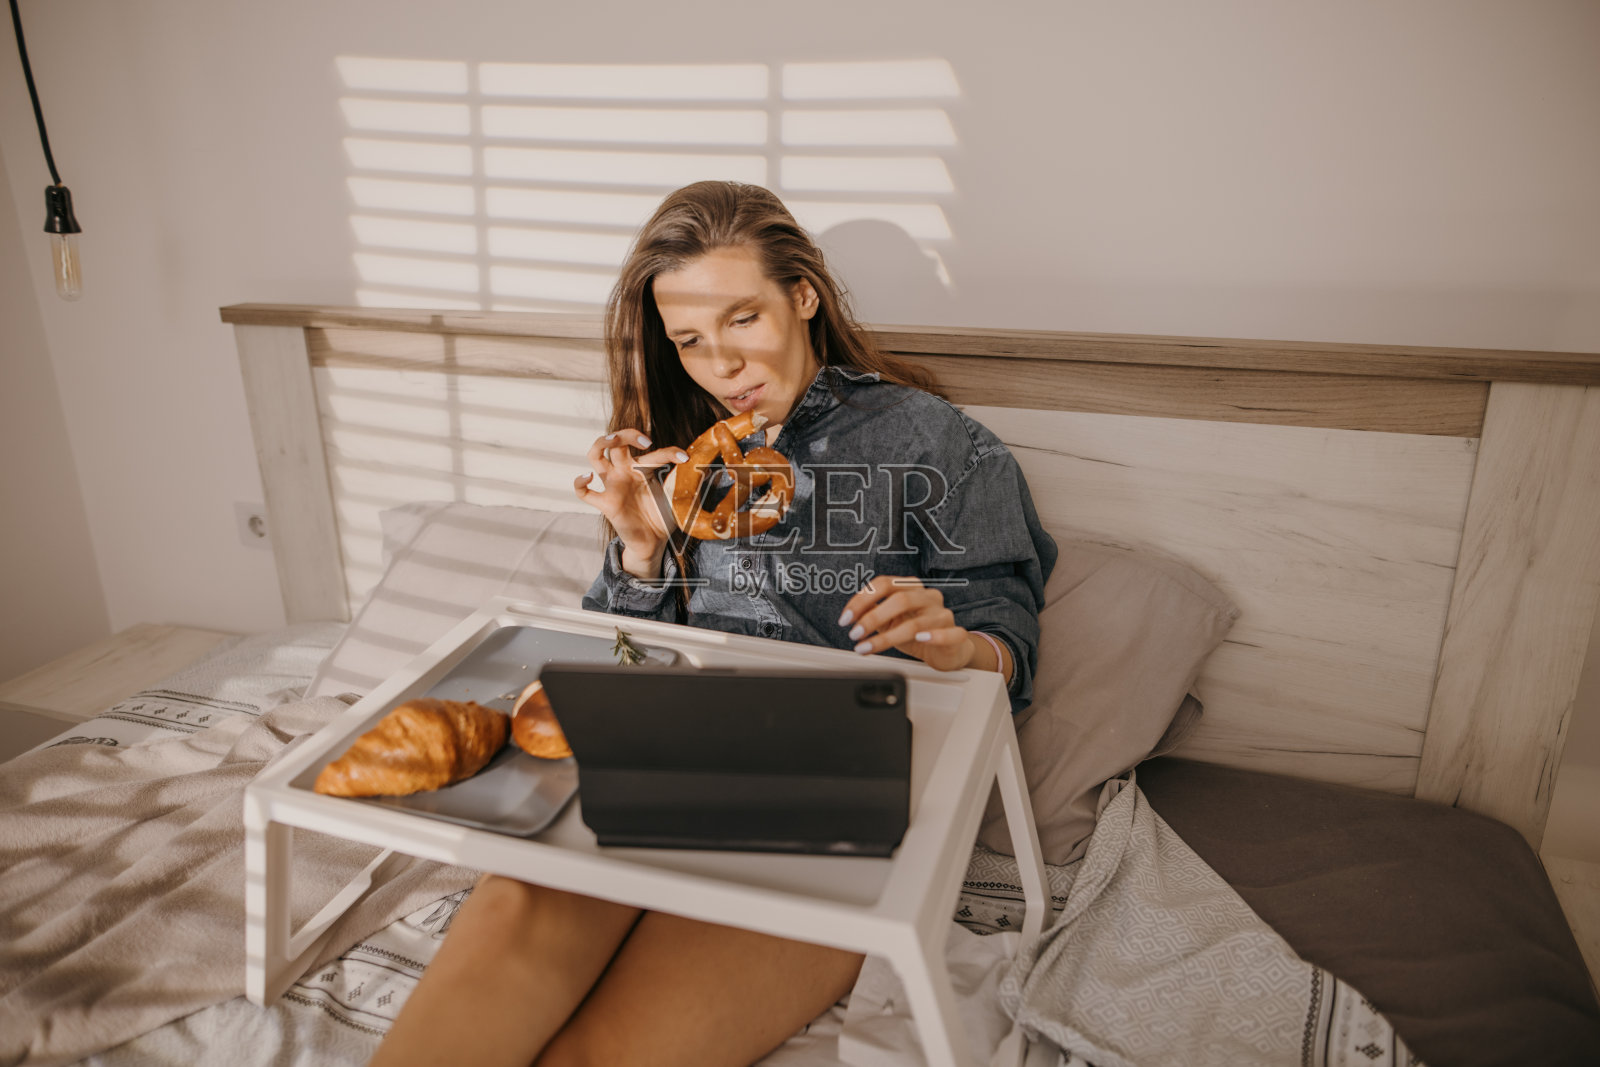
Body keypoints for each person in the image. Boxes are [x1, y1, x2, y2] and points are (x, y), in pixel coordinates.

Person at [373, 181, 1057, 1067]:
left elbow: (1011, 643)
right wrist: (639, 551)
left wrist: (956, 644)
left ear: (803, 296)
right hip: (665, 755)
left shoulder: (940, 446)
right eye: (691, 341)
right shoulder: (677, 454)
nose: (720, 365)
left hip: (839, 791)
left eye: (743, 320)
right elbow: (621, 657)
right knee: (507, 928)